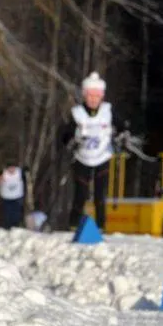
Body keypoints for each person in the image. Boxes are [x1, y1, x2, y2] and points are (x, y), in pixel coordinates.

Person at [60, 71, 113, 231]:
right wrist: (70, 141)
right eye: (90, 96)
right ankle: (73, 224)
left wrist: (123, 134)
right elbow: (65, 134)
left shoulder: (107, 110)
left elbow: (123, 125)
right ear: (85, 95)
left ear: (101, 96)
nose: (93, 99)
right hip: (82, 158)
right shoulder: (77, 112)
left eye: (96, 96)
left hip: (102, 157)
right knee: (81, 194)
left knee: (100, 195)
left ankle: (101, 226)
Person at [1, 163, 26, 230]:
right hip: (6, 197)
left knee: (16, 213)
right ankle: (7, 227)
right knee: (7, 213)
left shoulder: (20, 172)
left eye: (13, 168)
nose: (11, 169)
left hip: (17, 197)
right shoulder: (3, 173)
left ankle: (16, 226)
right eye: (10, 168)